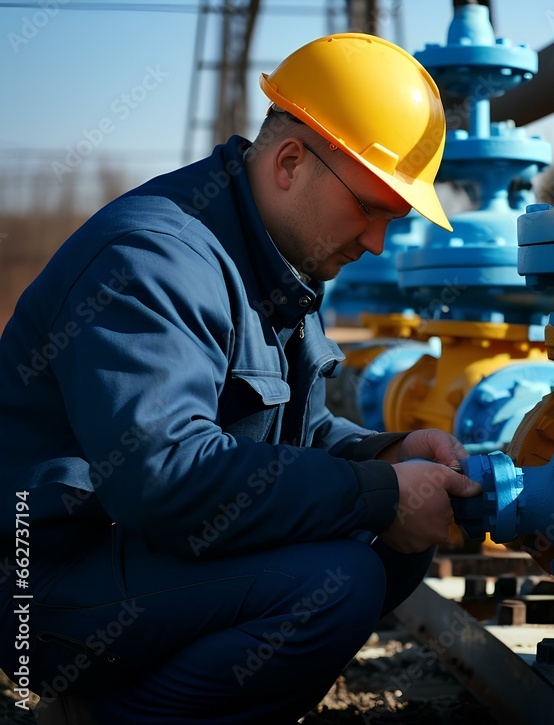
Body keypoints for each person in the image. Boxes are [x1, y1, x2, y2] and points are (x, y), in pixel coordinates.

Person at [0, 33, 481, 724]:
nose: (377, 241)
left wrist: (386, 455)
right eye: (371, 206)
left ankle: (132, 699)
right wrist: (377, 492)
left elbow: (297, 435)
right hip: (42, 582)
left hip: (128, 556)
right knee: (336, 581)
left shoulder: (279, 267)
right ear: (290, 161)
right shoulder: (153, 260)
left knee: (391, 533)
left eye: (393, 219)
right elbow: (164, 474)